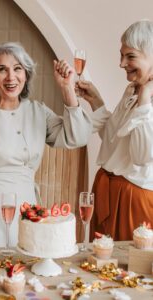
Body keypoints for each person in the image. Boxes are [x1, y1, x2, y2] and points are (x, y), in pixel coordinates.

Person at [0, 42, 92, 248]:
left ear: (26, 74)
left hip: (27, 210)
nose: (11, 77)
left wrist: (67, 88)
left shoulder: (38, 111)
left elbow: (78, 136)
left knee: (23, 273)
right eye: (1, 70)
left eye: (17, 69)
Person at [77, 20, 153, 241]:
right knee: (100, 266)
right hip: (106, 190)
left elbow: (142, 156)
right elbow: (112, 140)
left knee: (127, 272)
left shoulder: (144, 97)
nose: (122, 64)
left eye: (130, 56)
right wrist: (97, 102)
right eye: (122, 55)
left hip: (134, 199)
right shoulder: (132, 90)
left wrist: (145, 100)